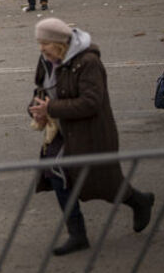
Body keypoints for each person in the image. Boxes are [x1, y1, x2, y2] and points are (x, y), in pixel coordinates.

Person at [28, 18, 155, 256]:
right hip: (60, 132)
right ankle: (77, 234)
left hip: (91, 133)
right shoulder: (46, 61)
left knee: (104, 184)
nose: (41, 48)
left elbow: (91, 103)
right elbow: (40, 92)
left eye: (44, 43)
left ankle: (138, 201)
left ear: (59, 43)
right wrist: (37, 111)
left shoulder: (88, 62)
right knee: (57, 175)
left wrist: (51, 109)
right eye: (39, 43)